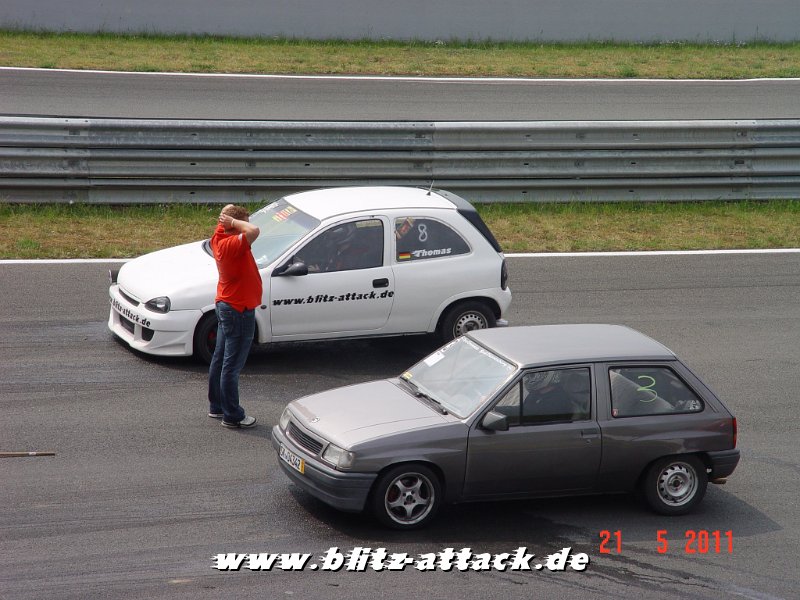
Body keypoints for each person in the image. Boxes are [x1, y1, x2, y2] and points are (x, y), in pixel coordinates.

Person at [207, 204, 261, 428]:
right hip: (238, 310)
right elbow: (254, 230)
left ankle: (217, 406)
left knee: (220, 360)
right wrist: (236, 223)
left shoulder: (218, 238)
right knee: (232, 365)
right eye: (241, 223)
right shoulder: (231, 244)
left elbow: (240, 224)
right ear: (233, 226)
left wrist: (229, 219)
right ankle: (232, 415)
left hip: (227, 306)